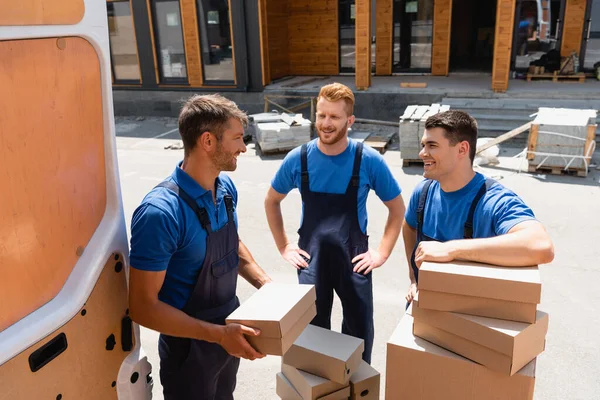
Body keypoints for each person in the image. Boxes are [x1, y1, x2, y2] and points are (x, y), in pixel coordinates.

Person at [128, 94, 272, 400]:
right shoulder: (160, 213)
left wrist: (265, 284)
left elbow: (230, 242)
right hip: (189, 351)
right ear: (208, 141)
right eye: (236, 139)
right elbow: (142, 307)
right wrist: (219, 336)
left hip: (228, 337)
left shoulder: (225, 188)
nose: (244, 148)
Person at [264, 83, 405, 363]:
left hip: (354, 258)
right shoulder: (299, 158)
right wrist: (284, 246)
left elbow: (397, 208)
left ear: (349, 121)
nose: (326, 123)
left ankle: (355, 387)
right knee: (312, 335)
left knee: (358, 332)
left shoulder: (368, 160)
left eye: (334, 117)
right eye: (321, 115)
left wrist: (382, 253)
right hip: (311, 259)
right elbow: (271, 201)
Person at [403, 110, 554, 305]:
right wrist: (414, 278)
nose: (422, 153)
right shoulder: (423, 192)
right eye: (423, 145)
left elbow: (541, 246)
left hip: (471, 317)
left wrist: (451, 250)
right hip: (424, 305)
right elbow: (408, 227)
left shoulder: (494, 200)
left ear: (462, 149)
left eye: (432, 145)